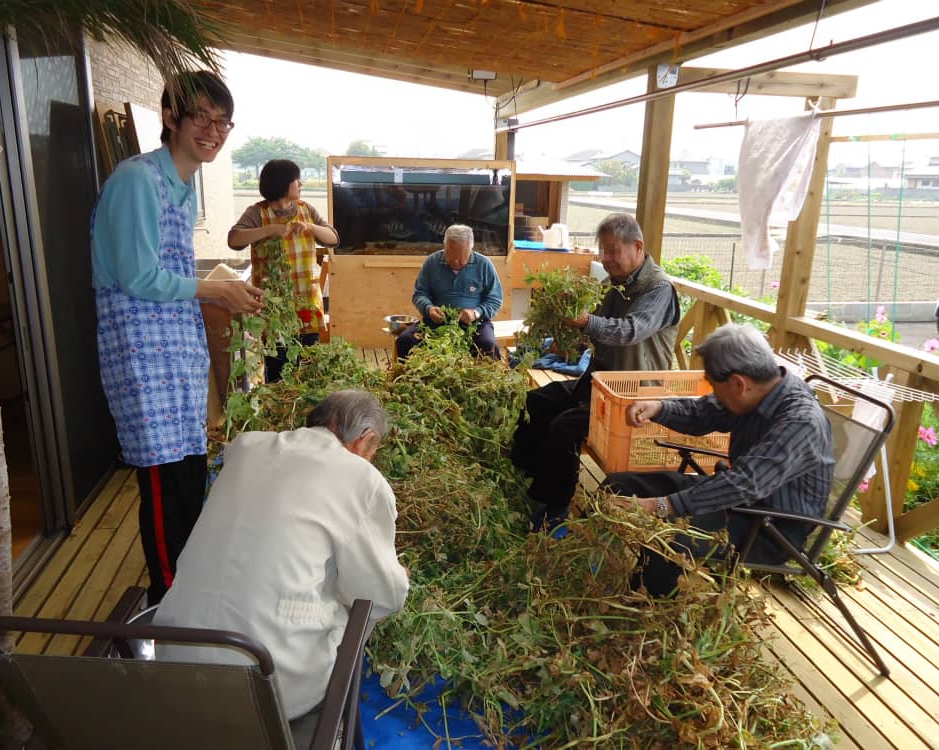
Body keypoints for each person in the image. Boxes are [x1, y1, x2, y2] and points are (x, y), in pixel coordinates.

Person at [90, 70, 264, 606]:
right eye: (200, 117)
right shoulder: (136, 180)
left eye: (222, 121)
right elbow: (136, 277)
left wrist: (216, 293)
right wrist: (213, 288)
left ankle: (191, 592)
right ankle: (167, 602)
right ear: (170, 118)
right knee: (165, 486)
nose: (212, 130)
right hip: (144, 357)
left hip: (174, 353)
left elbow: (169, 272)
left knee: (189, 471)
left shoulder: (181, 186)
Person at [154, 390, 409, 748]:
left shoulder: (245, 447)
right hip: (269, 680)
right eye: (373, 451)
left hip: (174, 660)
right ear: (365, 440)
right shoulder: (360, 479)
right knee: (356, 602)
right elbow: (378, 596)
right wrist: (399, 578)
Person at [603, 324, 834, 596]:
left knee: (666, 539)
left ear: (738, 383)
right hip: (735, 502)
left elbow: (744, 484)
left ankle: (645, 617)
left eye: (714, 385)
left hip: (769, 528)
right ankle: (602, 571)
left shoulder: (801, 421)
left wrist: (661, 506)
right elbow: (704, 413)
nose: (712, 392)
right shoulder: (755, 392)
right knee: (618, 485)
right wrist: (660, 407)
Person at [511, 213, 680, 531]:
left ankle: (556, 506)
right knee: (533, 402)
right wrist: (568, 340)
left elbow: (630, 331)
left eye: (613, 250)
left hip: (635, 394)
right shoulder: (612, 285)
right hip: (600, 380)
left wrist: (586, 321)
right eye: (603, 251)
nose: (606, 259)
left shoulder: (659, 289)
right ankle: (528, 479)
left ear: (637, 246)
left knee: (565, 427)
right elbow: (594, 333)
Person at [228, 159, 339, 382]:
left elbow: (333, 238)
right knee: (277, 365)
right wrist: (270, 230)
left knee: (307, 364)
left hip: (306, 301)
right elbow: (234, 239)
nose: (301, 183)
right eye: (296, 179)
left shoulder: (305, 210)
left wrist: (310, 227)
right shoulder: (258, 212)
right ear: (283, 184)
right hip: (274, 307)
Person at [396, 224, 504, 360]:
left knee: (489, 346)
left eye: (460, 257)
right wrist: (428, 309)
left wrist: (476, 312)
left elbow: (495, 299)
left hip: (475, 324)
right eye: (449, 255)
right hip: (435, 323)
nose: (454, 261)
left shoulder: (484, 265)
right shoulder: (432, 262)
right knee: (405, 341)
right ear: (444, 246)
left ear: (470, 249)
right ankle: (411, 380)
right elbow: (420, 293)